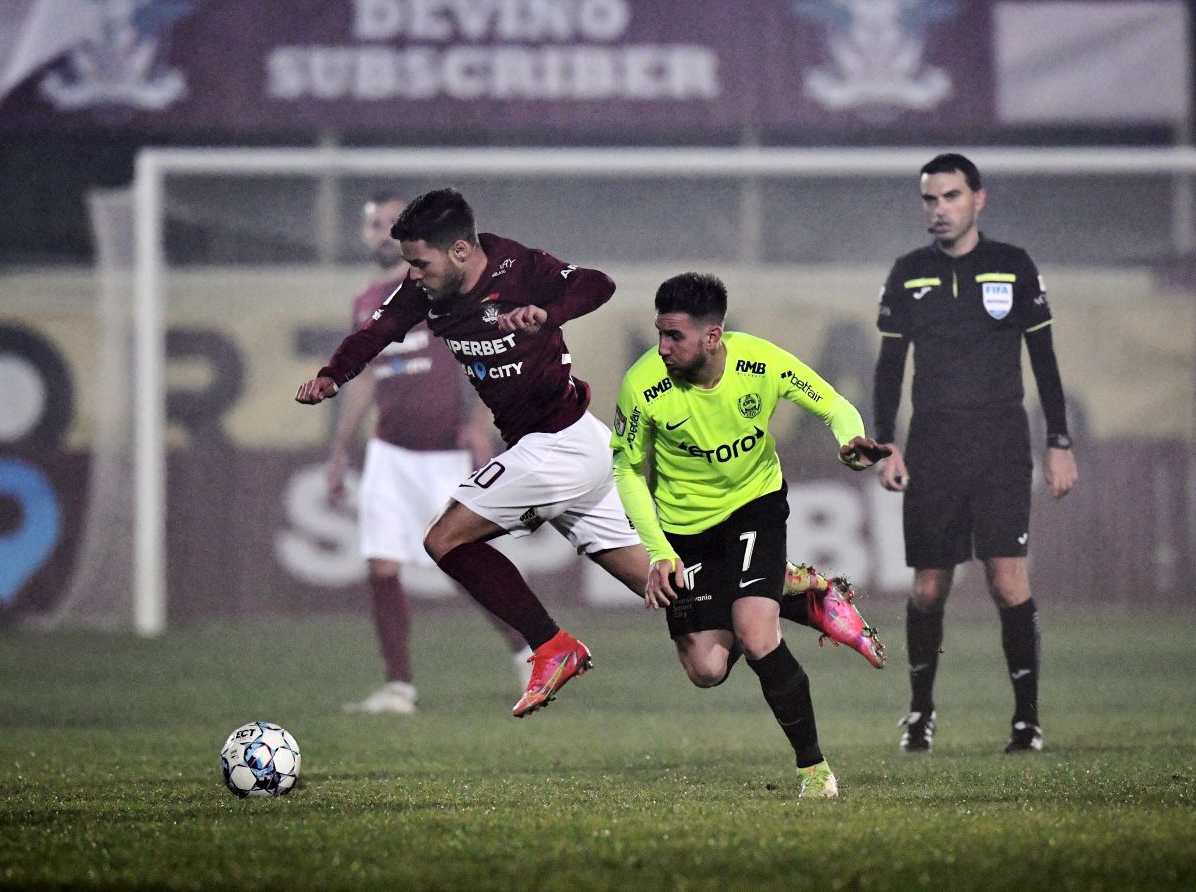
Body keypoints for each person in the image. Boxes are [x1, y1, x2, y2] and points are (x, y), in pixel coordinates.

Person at [297, 187, 649, 718]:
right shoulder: (427, 291)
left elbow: (597, 284)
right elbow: (377, 332)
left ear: (461, 251)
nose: (412, 274)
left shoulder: (517, 267)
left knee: (445, 539)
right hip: (561, 444)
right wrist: (331, 374)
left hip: (560, 442)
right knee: (670, 592)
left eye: (420, 262)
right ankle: (799, 594)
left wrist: (546, 313)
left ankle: (551, 647)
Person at [610, 272, 890, 800]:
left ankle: (815, 773)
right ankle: (797, 592)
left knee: (757, 636)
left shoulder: (760, 362)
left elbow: (830, 403)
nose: (663, 348)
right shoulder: (642, 386)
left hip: (753, 507)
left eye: (675, 337)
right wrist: (659, 552)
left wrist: (849, 438)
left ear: (712, 336)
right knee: (707, 670)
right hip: (683, 529)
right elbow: (626, 470)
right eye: (659, 335)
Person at [872, 153, 1079, 754]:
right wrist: (887, 442)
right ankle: (920, 714)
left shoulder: (1012, 268)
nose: (939, 210)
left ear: (978, 199)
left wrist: (1059, 442)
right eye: (930, 200)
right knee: (930, 588)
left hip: (1001, 448)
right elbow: (889, 368)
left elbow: (1045, 363)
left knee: (1007, 578)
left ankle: (1027, 720)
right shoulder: (908, 273)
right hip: (933, 447)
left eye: (951, 197)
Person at [326, 191, 531, 715]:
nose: (381, 233)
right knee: (381, 567)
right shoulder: (365, 301)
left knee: (465, 563)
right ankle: (399, 688)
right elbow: (365, 379)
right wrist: (339, 448)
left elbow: (490, 352)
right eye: (374, 225)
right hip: (389, 453)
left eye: (392, 224)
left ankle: (531, 652)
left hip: (444, 454)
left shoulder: (448, 290)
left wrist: (481, 425)